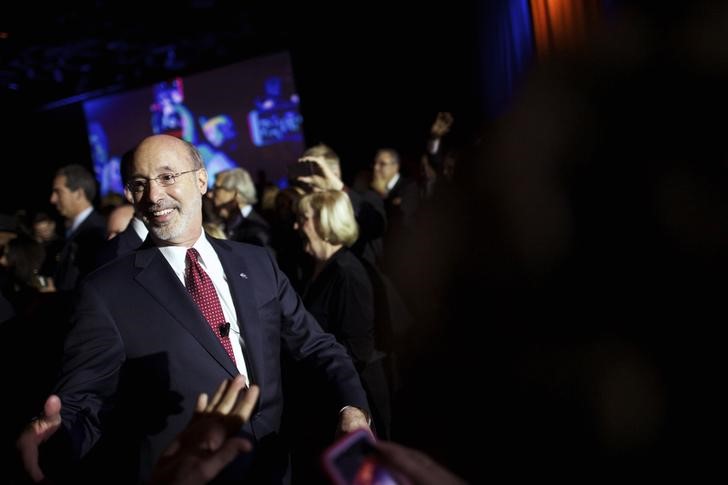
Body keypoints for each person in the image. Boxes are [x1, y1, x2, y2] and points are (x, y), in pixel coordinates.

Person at [17, 134, 371, 484]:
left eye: (168, 177)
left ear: (201, 180)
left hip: (274, 469)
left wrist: (352, 407)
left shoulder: (257, 262)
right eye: (139, 184)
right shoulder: (105, 291)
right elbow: (84, 399)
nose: (154, 196)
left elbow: (315, 346)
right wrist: (56, 433)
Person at [49, 164, 107, 292]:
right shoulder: (76, 230)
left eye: (58, 192)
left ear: (78, 194)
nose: (52, 199)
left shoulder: (95, 232)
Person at [210, 167, 272, 248]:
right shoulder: (223, 223)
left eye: (216, 188)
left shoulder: (257, 231)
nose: (210, 194)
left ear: (236, 193)